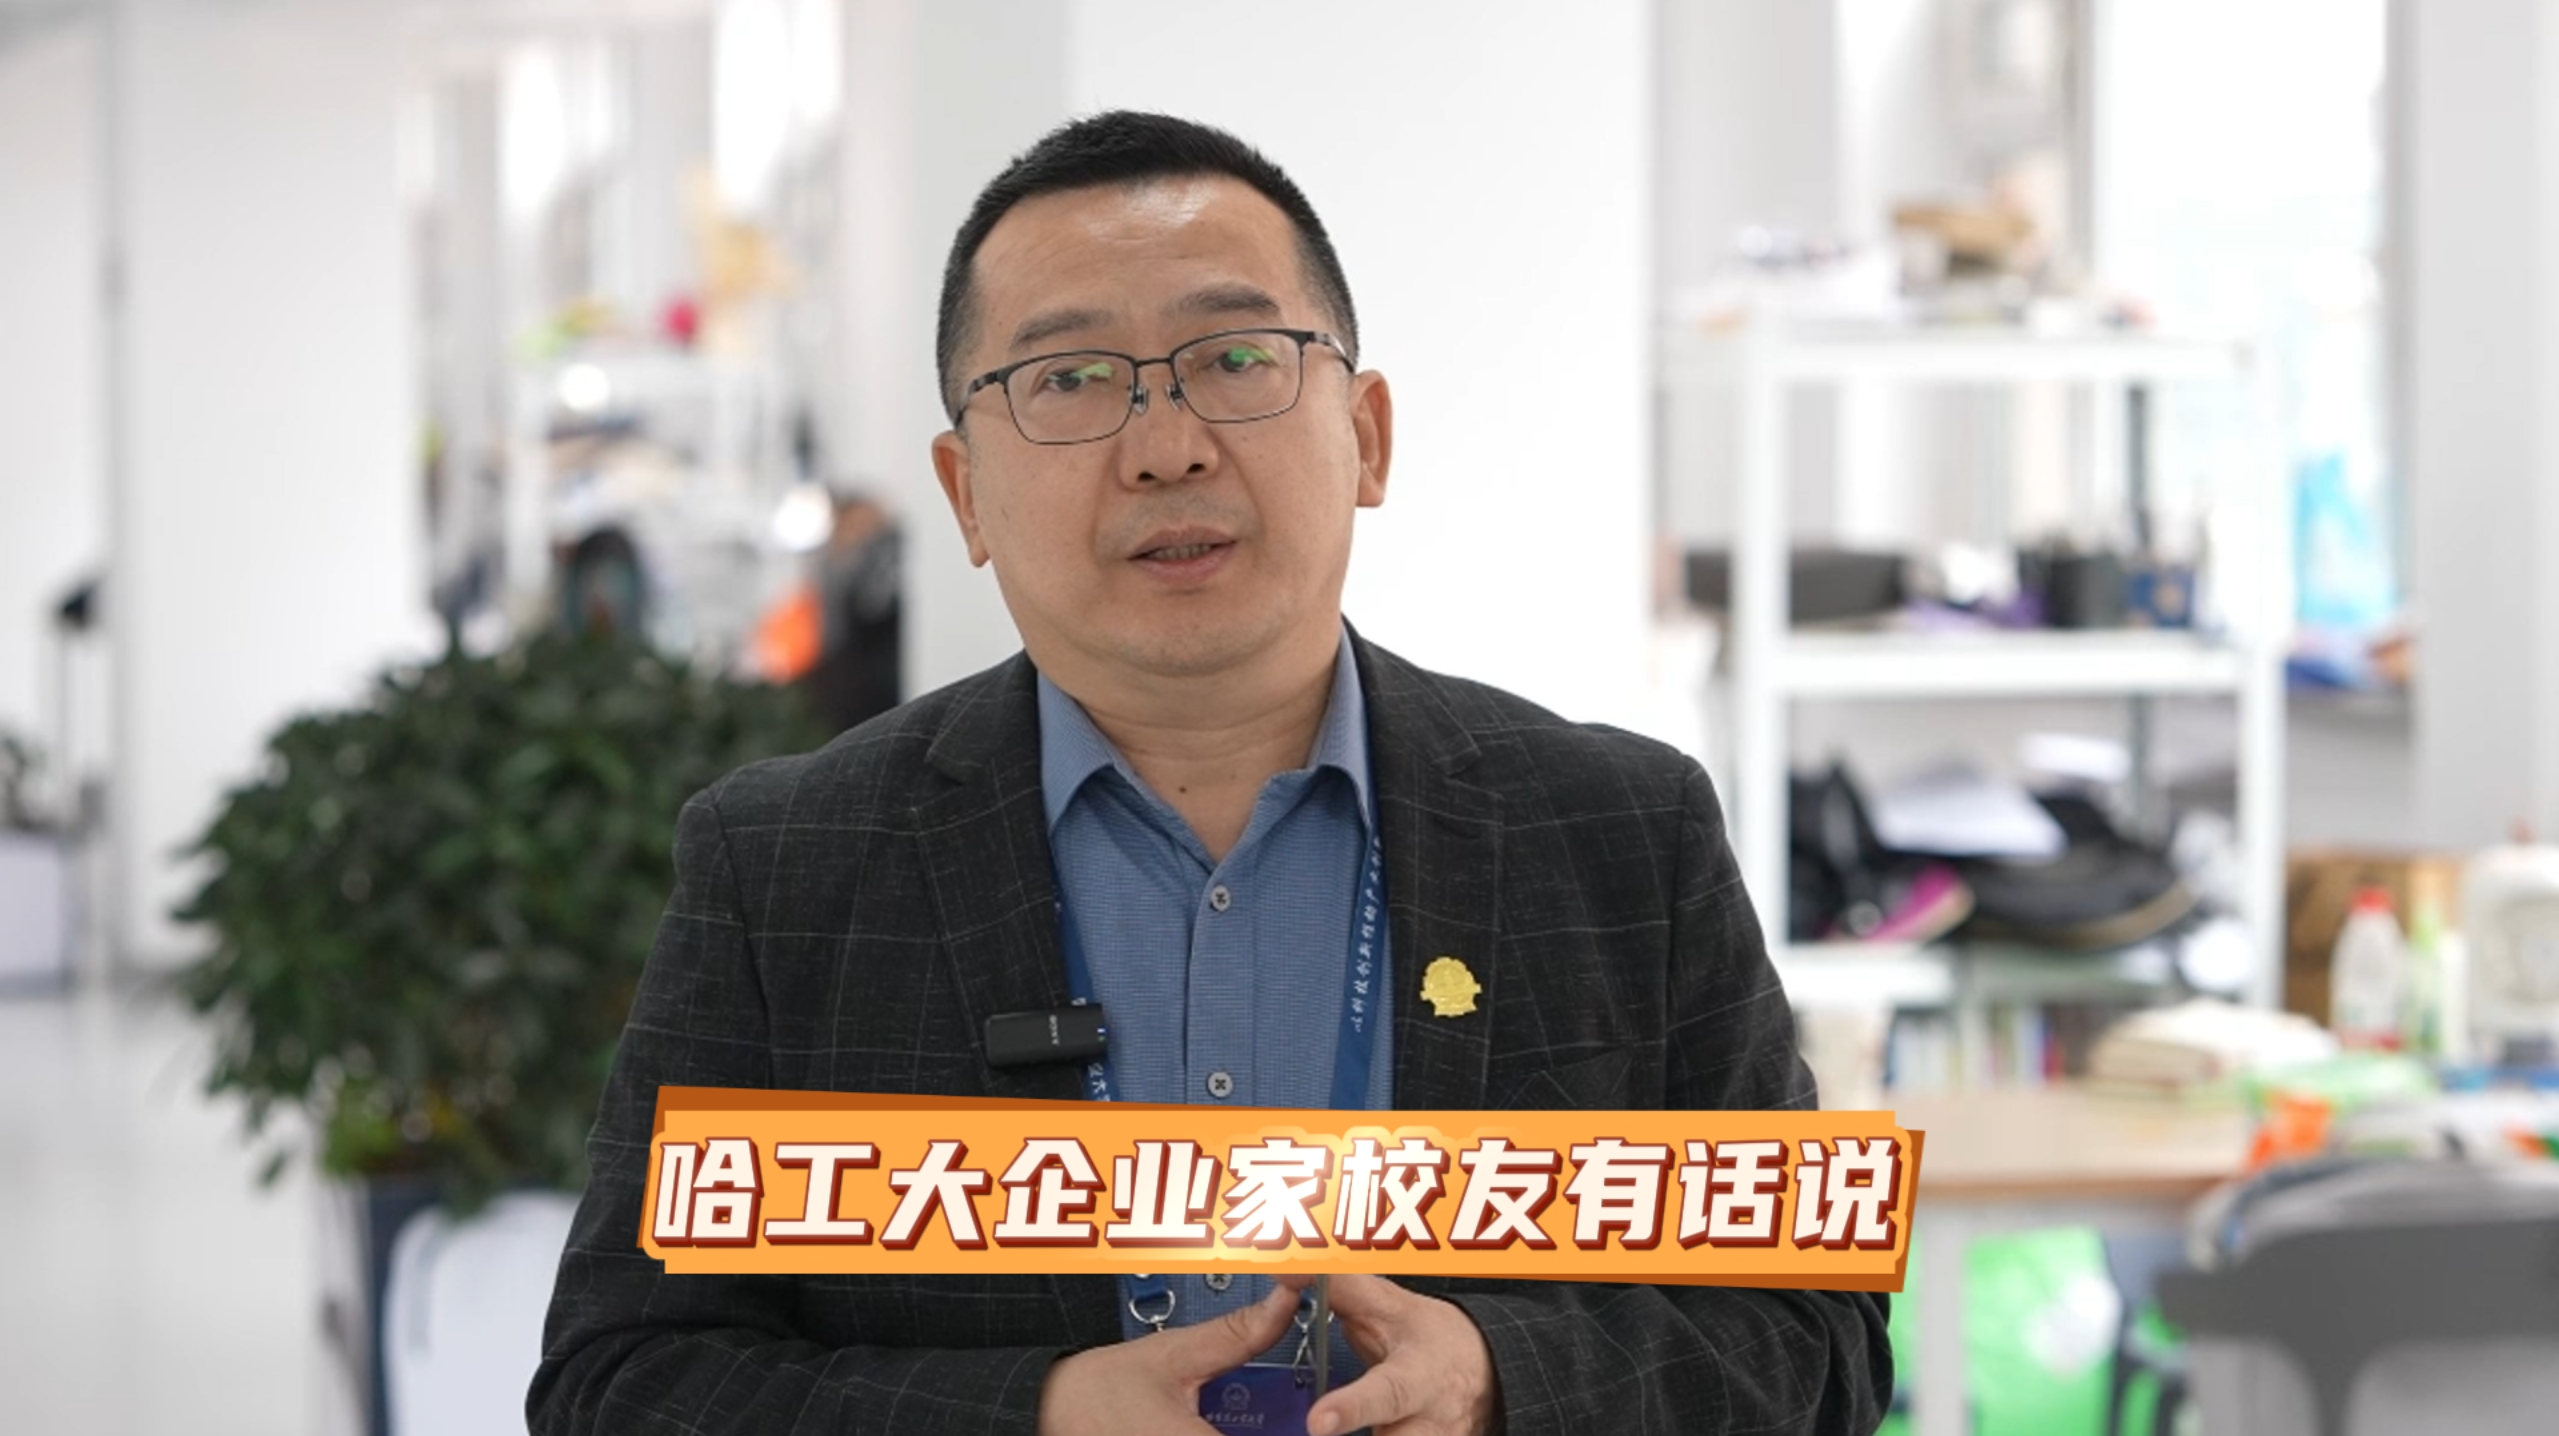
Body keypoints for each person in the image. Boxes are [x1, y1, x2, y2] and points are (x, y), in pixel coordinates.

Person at [530, 111, 1892, 1436]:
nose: (1166, 446)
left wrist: (1497, 1385)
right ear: (966, 495)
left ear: (1366, 436)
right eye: (1069, 381)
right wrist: (1037, 1417)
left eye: (1236, 357)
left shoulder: (1621, 836)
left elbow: (1814, 1337)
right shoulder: (785, 869)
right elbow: (621, 1383)